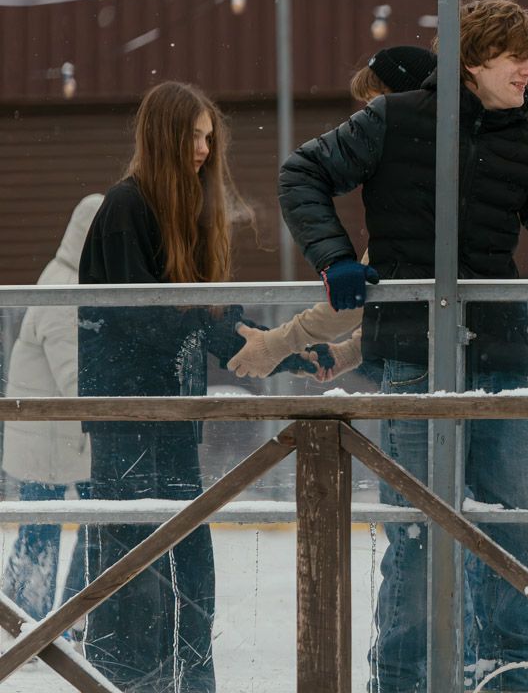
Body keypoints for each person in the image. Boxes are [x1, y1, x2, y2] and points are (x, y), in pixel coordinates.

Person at [279, 0, 528, 693]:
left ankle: (510, 673)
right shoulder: (394, 120)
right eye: (516, 57)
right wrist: (335, 257)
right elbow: (303, 173)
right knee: (415, 535)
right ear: (474, 59)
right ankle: (402, 680)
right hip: (411, 355)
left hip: (496, 358)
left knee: (511, 526)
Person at [78, 81, 312, 692]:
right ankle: (134, 683)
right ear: (163, 135)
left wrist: (288, 350)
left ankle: (187, 679)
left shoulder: (188, 216)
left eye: (210, 136)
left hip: (175, 413)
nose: (205, 148)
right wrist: (230, 330)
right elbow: (143, 316)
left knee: (188, 563)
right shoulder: (125, 207)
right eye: (194, 134)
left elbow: (214, 323)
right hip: (127, 414)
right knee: (136, 568)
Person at [228, 46, 438, 383]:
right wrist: (349, 351)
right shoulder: (426, 172)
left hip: (421, 366)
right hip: (434, 354)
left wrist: (275, 344)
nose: (369, 119)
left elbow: (362, 292)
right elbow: (386, 284)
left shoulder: (421, 180)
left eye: (376, 106)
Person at [2, 194, 102, 630]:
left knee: (38, 532)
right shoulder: (66, 290)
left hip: (46, 435)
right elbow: (75, 381)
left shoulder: (62, 275)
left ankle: (23, 616)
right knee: (63, 527)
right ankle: (42, 621)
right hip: (49, 437)